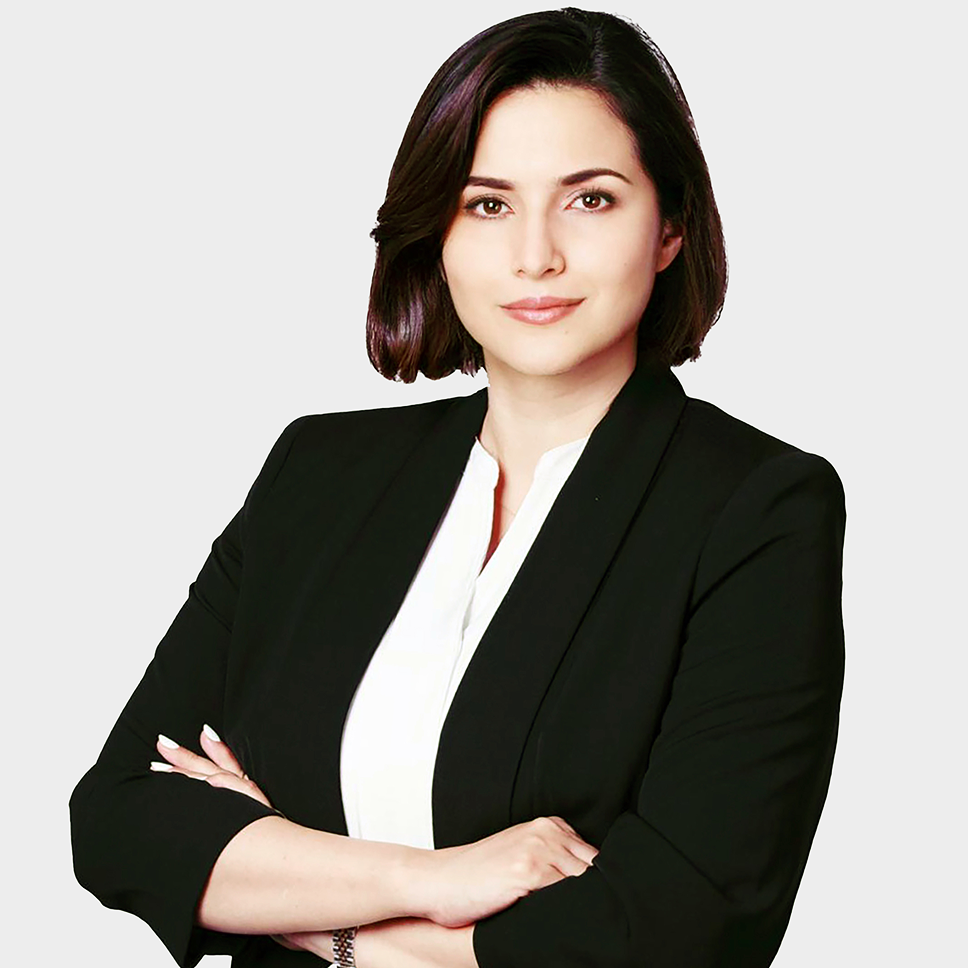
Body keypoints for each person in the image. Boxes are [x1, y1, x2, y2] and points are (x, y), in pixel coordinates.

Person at [70, 8, 846, 968]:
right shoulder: (318, 474)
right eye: (488, 204)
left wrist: (308, 908)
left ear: (671, 227)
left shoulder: (757, 507)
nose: (535, 256)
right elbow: (120, 815)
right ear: (437, 229)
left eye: (591, 199)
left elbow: (679, 928)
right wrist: (435, 879)